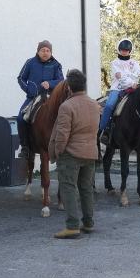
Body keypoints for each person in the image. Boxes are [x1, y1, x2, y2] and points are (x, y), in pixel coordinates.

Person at [49, 69, 99, 239]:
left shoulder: (66, 106)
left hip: (71, 154)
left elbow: (62, 134)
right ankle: (88, 223)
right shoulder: (95, 105)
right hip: (90, 152)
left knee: (68, 188)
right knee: (86, 189)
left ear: (69, 87)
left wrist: (57, 151)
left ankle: (72, 226)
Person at [16, 40, 64, 159]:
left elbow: (61, 81)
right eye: (43, 50)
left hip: (50, 98)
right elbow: (21, 78)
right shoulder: (30, 63)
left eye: (48, 51)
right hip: (33, 98)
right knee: (20, 118)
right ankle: (25, 147)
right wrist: (28, 89)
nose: (45, 53)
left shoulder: (56, 64)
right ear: (38, 51)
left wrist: (50, 83)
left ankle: (61, 145)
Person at [98, 38, 140, 145]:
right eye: (122, 50)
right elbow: (119, 77)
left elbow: (138, 75)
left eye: (126, 50)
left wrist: (126, 76)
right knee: (109, 105)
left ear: (130, 50)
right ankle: (104, 129)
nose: (124, 52)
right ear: (119, 49)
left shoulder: (135, 63)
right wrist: (130, 80)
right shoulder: (114, 63)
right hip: (117, 89)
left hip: (133, 89)